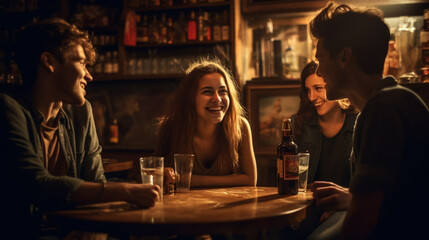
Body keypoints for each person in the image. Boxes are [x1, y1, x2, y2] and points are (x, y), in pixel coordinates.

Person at [0, 18, 170, 239]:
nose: (89, 75)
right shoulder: (8, 108)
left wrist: (140, 186)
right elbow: (36, 184)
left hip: (73, 229)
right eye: (81, 62)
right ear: (48, 62)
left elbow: (97, 182)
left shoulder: (81, 112)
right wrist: (127, 190)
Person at [309, 1, 429, 239]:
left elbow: (361, 222)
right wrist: (353, 197)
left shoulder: (384, 109)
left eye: (320, 59)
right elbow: (396, 196)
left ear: (344, 57)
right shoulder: (384, 104)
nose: (319, 71)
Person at [155, 59, 257, 187]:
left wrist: (190, 180)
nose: (217, 99)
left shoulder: (240, 126)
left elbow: (250, 180)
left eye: (222, 91)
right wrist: (164, 173)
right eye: (207, 92)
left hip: (228, 204)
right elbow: (156, 172)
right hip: (185, 205)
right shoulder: (172, 127)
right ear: (191, 98)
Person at [292, 61, 357, 188]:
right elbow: (290, 179)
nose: (311, 97)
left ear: (336, 86)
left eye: (318, 88)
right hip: (311, 204)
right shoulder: (298, 123)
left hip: (348, 205)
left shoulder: (357, 122)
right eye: (308, 90)